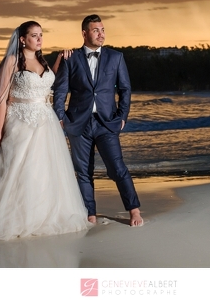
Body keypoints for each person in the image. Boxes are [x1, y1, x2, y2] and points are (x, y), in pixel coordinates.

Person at [0, 21, 90, 240]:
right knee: (14, 171)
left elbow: (48, 82)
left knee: (40, 172)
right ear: (22, 39)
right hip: (19, 120)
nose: (39, 39)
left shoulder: (42, 61)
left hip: (45, 123)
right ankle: (11, 218)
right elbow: (2, 99)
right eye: (34, 35)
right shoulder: (11, 61)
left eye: (41, 35)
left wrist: (60, 59)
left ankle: (39, 216)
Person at [53, 14, 143, 227]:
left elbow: (125, 89)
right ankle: (90, 214)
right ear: (84, 33)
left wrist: (122, 116)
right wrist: (60, 117)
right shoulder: (71, 58)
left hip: (107, 123)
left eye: (103, 30)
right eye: (96, 30)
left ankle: (134, 210)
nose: (101, 34)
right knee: (83, 171)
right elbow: (61, 90)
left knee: (117, 168)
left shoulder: (116, 57)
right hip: (78, 123)